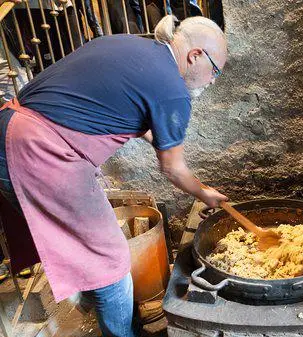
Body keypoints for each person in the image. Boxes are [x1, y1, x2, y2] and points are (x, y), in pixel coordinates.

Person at [0, 14, 228, 336]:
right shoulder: (172, 89)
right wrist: (203, 192)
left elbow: (124, 111)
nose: (212, 81)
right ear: (195, 56)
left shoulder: (129, 45)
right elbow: (173, 168)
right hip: (39, 153)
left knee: (91, 247)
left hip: (10, 130)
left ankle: (98, 301)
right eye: (215, 72)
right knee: (111, 263)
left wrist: (162, 140)